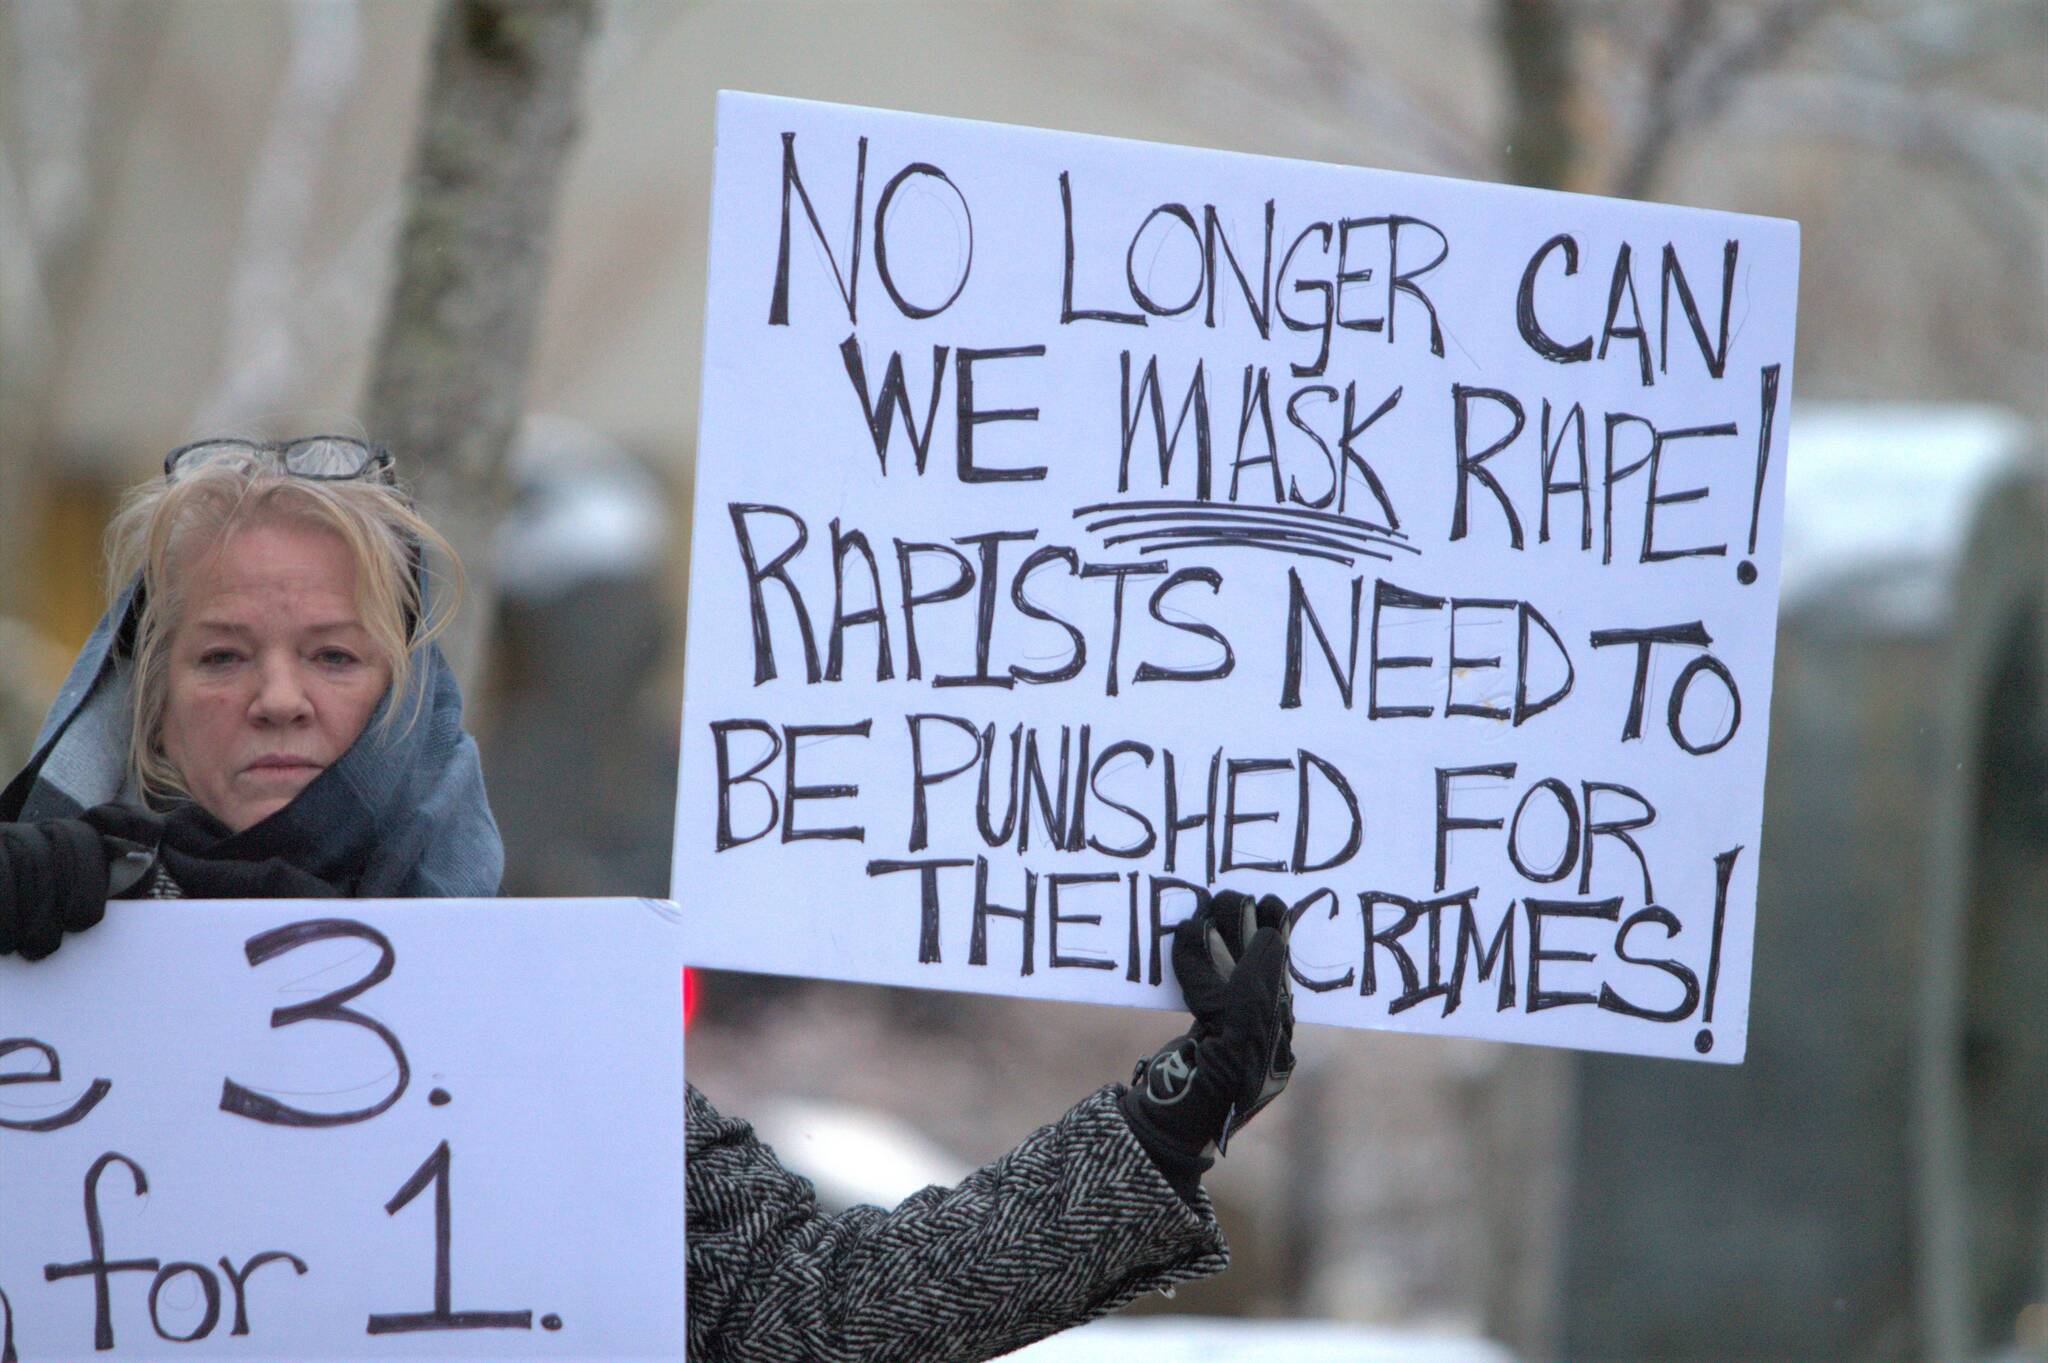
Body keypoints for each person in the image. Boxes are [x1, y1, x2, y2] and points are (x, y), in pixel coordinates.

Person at [0, 438, 1297, 1363]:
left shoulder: (532, 1007)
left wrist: (1161, 1129)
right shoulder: (40, 952)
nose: (278, 695)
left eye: (332, 654)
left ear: (405, 704)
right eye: (224, 654)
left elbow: (819, 1312)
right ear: (151, 701)